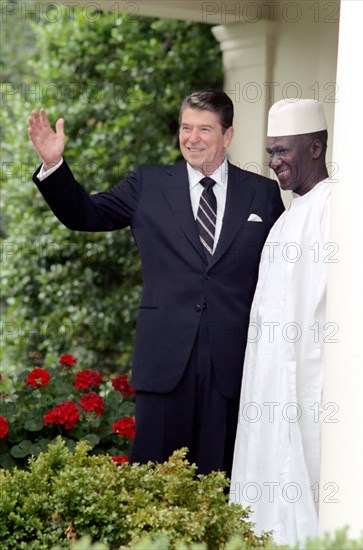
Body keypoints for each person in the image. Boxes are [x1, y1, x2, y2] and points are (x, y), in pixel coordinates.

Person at [28, 90, 284, 476]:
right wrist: (54, 166)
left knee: (223, 481)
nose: (192, 138)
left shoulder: (262, 194)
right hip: (164, 361)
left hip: (232, 367)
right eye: (185, 128)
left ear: (227, 135)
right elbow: (86, 214)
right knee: (153, 480)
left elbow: (280, 273)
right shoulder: (147, 184)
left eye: (204, 129)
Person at [230, 99, 331, 544]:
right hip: (269, 382)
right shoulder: (287, 218)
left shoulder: (336, 207)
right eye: (270, 152)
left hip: (307, 379)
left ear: (314, 148)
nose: (274, 163)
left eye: (283, 151)